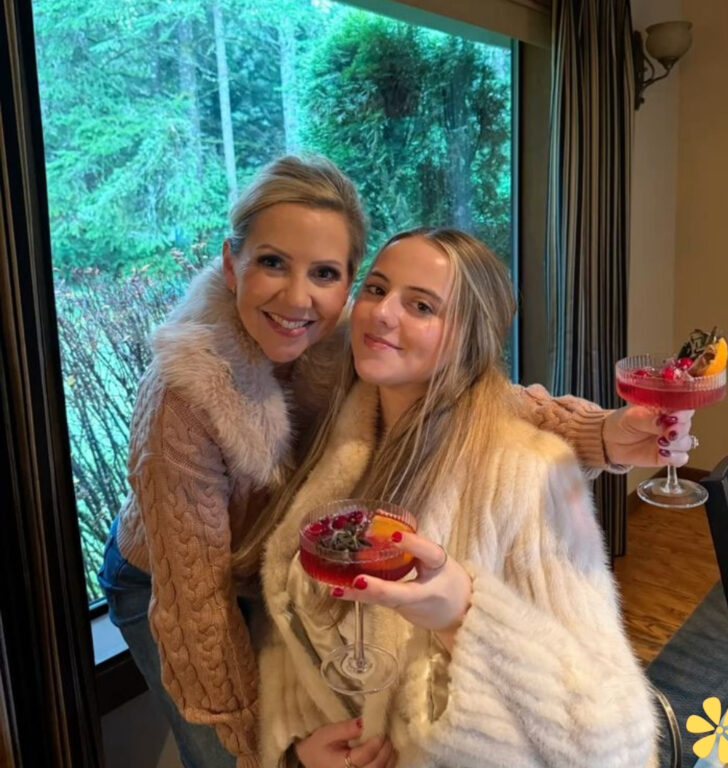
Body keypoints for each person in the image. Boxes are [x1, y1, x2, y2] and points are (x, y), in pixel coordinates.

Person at [99, 155, 681, 768]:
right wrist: (273, 755)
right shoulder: (184, 395)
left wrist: (607, 435)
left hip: (271, 562)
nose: (297, 297)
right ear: (230, 261)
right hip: (175, 578)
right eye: (272, 262)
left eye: (325, 273)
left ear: (346, 283)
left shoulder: (354, 334)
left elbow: (475, 391)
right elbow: (196, 607)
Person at [255, 228, 658, 768]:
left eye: (421, 305)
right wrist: (295, 756)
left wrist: (464, 615)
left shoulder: (526, 473)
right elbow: (295, 640)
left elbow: (613, 739)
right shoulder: (335, 441)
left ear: (471, 338)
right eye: (375, 290)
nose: (382, 314)